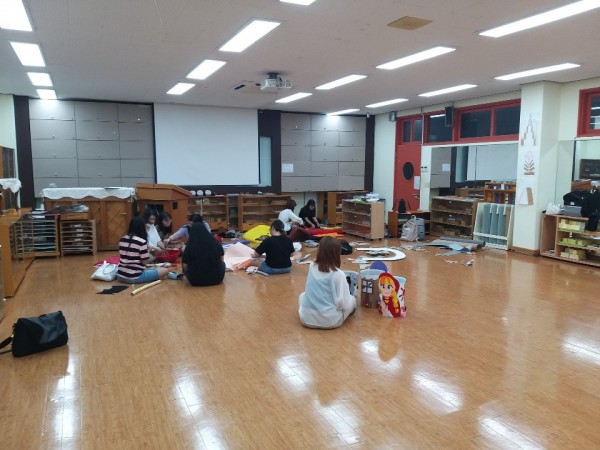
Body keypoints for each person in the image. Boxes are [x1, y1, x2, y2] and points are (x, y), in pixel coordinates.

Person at [298, 236, 357, 329]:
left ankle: (309, 314)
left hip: (305, 320)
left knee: (302, 295)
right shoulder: (338, 274)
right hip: (330, 322)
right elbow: (342, 303)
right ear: (336, 253)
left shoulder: (312, 266)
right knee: (352, 300)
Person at [117, 216, 169, 284]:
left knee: (151, 269)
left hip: (120, 275)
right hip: (135, 277)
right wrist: (148, 251)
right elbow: (144, 262)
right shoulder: (141, 242)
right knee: (165, 270)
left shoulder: (122, 239)